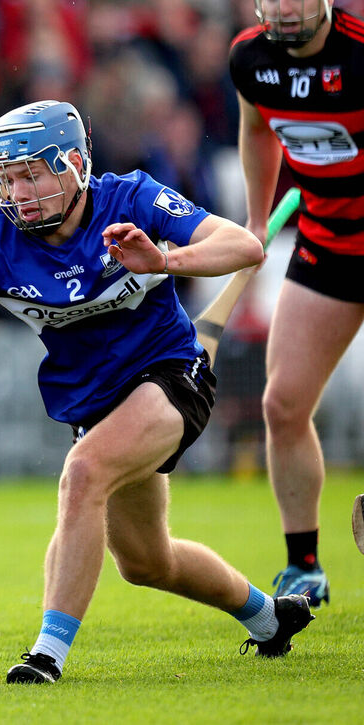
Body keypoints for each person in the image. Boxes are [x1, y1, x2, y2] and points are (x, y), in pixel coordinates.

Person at [0, 100, 315, 685]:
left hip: (172, 377)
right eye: (6, 177)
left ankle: (45, 658)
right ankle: (269, 618)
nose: (18, 190)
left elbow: (243, 247)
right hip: (100, 407)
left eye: (32, 172)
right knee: (146, 562)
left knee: (82, 474)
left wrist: (167, 258)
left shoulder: (132, 198)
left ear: (75, 162)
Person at [229, 0, 364, 608]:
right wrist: (257, 222)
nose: (285, 6)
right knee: (282, 405)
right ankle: (304, 565)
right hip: (327, 249)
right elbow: (257, 130)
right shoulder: (250, 60)